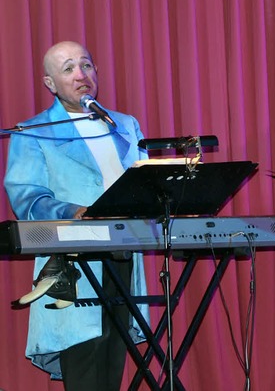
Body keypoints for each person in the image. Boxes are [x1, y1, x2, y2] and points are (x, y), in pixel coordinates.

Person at [4, 41, 149, 390]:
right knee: (85, 362)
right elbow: (27, 197)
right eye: (68, 68)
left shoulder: (125, 125)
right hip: (72, 262)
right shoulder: (34, 131)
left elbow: (146, 181)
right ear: (50, 83)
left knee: (115, 357)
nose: (81, 75)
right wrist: (74, 212)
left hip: (124, 254)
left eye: (86, 65)